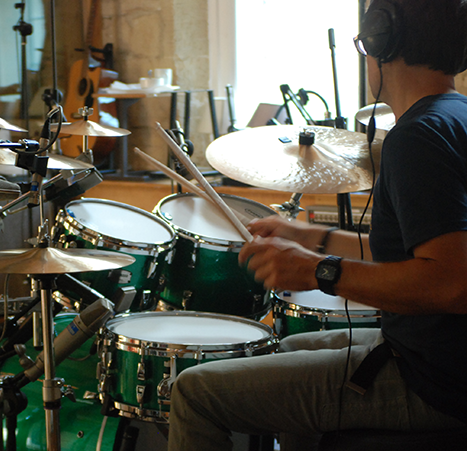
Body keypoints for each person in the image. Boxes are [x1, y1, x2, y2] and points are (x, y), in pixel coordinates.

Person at [167, 0, 467, 449]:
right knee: (282, 348)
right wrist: (310, 237)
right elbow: (414, 252)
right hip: (441, 357)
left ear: (382, 42)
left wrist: (318, 270)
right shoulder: (455, 116)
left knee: (195, 392)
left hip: (434, 382)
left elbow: (451, 283)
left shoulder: (417, 137)